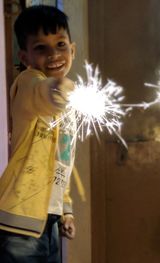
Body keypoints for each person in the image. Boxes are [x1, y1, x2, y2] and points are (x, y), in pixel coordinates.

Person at [0, 5, 77, 262]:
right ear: (25, 57)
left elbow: (61, 163)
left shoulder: (67, 106)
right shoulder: (27, 83)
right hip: (18, 223)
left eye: (60, 44)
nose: (54, 54)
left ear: (72, 50)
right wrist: (58, 88)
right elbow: (41, 93)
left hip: (50, 219)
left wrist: (66, 210)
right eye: (41, 48)